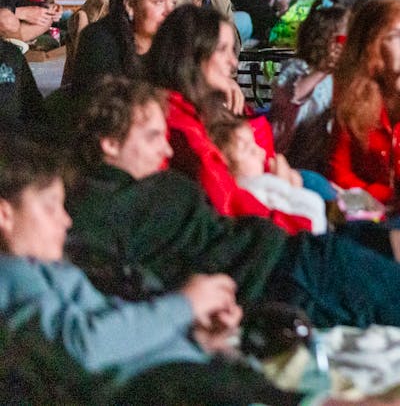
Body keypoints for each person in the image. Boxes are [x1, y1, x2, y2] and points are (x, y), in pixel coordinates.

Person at [69, 72, 400, 330]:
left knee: (386, 237)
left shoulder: (144, 187)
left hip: (289, 249)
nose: (167, 150)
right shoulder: (97, 209)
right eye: (153, 137)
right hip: (281, 277)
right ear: (109, 143)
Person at [0, 135, 293, 406]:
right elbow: (84, 348)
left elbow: (112, 342)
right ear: (4, 214)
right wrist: (185, 304)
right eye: (50, 208)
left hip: (184, 373)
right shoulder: (11, 274)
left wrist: (197, 338)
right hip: (159, 386)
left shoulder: (48, 270)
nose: (65, 220)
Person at [147, 4, 312, 228]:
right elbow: (226, 201)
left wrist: (241, 110)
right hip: (246, 230)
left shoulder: (208, 102)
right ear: (193, 55)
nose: (233, 62)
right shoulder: (177, 119)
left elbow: (264, 153)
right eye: (222, 50)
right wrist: (296, 220)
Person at [330, 0, 400, 206]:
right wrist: (387, 196)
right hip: (371, 213)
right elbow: (338, 173)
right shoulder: (353, 100)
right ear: (372, 46)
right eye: (396, 35)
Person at [71, 0, 177, 94]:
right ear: (130, 5)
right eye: (159, 2)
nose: (169, 11)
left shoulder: (174, 41)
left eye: (173, 2)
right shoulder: (99, 40)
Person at [208, 118, 327, 234]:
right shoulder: (251, 196)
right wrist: (291, 186)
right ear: (227, 165)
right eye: (250, 151)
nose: (261, 152)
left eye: (255, 145)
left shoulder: (262, 183)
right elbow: (306, 224)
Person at [269, 1, 349, 173]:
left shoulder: (337, 77)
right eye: (345, 39)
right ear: (324, 41)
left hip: (317, 157)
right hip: (286, 156)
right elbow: (295, 94)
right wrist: (323, 70)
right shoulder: (296, 68)